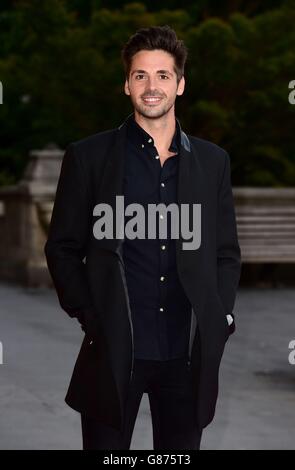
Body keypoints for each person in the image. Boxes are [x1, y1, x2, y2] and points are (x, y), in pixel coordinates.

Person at [44, 25, 241, 450]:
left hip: (187, 355)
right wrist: (91, 316)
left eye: (163, 76)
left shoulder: (213, 162)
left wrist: (220, 318)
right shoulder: (89, 157)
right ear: (126, 84)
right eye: (140, 76)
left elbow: (225, 252)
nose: (152, 87)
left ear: (181, 84)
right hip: (114, 351)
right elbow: (62, 248)